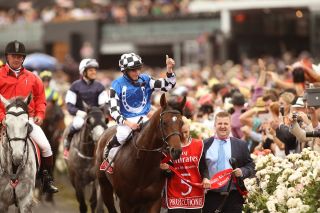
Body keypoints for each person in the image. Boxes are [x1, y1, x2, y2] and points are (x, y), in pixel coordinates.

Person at [0, 40, 58, 193]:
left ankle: (46, 179)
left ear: (23, 59)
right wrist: (2, 117)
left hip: (27, 120)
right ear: (7, 57)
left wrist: (39, 115)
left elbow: (41, 99)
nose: (17, 59)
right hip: (3, 120)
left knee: (46, 147)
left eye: (20, 56)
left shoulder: (33, 78)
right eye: (14, 56)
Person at [103, 53, 176, 164]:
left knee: (162, 132)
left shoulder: (146, 79)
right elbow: (113, 111)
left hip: (145, 117)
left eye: (138, 69)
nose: (137, 73)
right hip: (126, 120)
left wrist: (169, 69)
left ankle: (166, 161)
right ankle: (108, 156)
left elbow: (167, 85)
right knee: (122, 135)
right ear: (125, 71)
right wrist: (128, 123)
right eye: (133, 70)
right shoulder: (116, 85)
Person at [199, 111, 255, 213]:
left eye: (226, 124)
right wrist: (204, 177)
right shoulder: (204, 145)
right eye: (220, 123)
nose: (223, 126)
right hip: (211, 195)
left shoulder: (240, 145)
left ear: (230, 126)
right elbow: (199, 167)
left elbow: (251, 165)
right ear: (214, 125)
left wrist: (242, 171)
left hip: (233, 195)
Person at [63, 58, 108, 159]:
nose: (94, 72)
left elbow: (104, 105)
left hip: (95, 117)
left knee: (106, 129)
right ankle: (67, 146)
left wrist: (100, 111)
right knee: (77, 124)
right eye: (91, 70)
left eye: (95, 70)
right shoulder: (74, 86)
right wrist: (79, 112)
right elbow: (69, 105)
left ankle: (107, 152)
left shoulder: (100, 86)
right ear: (84, 72)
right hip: (81, 115)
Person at [160, 116, 204, 212]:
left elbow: (203, 167)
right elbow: (167, 174)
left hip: (195, 193)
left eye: (186, 132)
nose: (184, 136)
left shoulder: (199, 145)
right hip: (175, 194)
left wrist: (206, 178)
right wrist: (166, 169)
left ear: (189, 129)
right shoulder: (168, 149)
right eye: (181, 133)